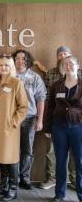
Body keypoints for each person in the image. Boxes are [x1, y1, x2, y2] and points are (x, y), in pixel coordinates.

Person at [40, 46, 80, 190]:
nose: (63, 57)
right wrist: (47, 124)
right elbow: (48, 101)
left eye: (66, 54)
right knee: (53, 153)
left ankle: (75, 180)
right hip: (58, 123)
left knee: (78, 156)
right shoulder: (52, 75)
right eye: (60, 54)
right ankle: (52, 180)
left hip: (77, 125)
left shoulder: (80, 77)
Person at [0, 55, 28, 201]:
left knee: (10, 158)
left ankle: (13, 188)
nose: (3, 68)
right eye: (0, 65)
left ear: (11, 67)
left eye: (6, 65)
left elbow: (24, 107)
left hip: (9, 128)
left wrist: (14, 122)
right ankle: (3, 186)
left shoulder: (16, 83)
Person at [12, 49, 47, 190]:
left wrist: (40, 120)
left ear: (28, 60)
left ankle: (24, 178)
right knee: (12, 149)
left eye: (23, 58)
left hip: (30, 118)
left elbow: (41, 99)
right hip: (12, 118)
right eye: (17, 58)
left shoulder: (35, 77)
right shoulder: (10, 76)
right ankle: (13, 178)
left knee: (27, 150)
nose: (20, 61)